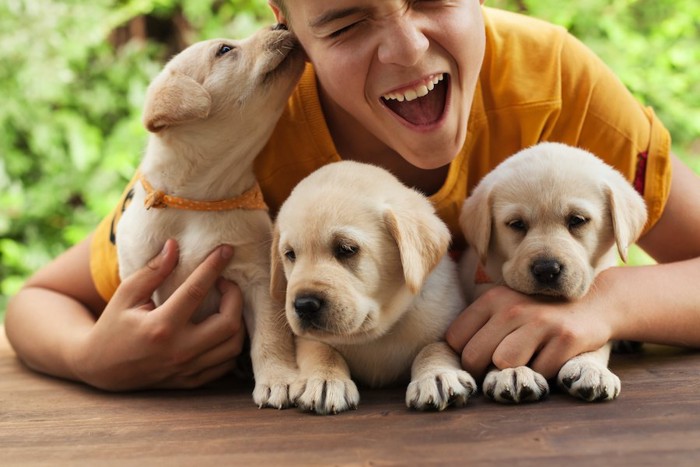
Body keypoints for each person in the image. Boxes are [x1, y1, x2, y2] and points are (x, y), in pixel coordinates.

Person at [6, 0, 700, 390]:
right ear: (288, 26)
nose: (406, 49)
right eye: (344, 24)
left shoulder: (554, 82)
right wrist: (89, 358)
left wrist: (613, 300)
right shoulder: (253, 128)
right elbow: (39, 300)